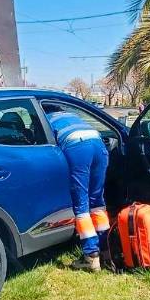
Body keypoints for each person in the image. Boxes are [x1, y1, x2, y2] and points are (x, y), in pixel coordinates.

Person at [48, 111, 111, 272]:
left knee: (81, 205)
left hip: (78, 147)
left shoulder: (47, 119)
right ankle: (106, 250)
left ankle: (91, 256)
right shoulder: (70, 114)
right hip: (99, 145)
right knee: (97, 201)